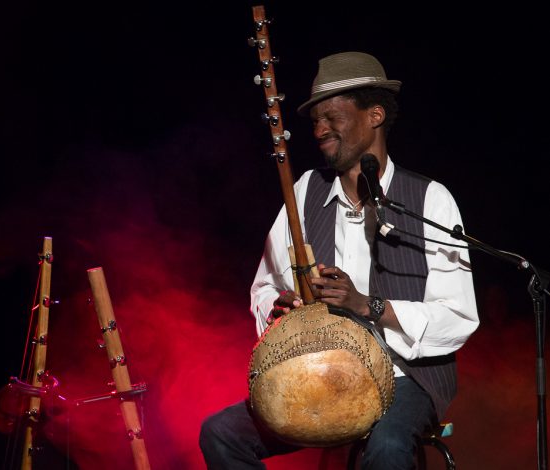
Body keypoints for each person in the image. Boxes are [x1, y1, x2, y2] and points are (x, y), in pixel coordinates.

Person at [198, 51, 480, 469]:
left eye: (332, 116)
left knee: (385, 449)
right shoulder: (307, 191)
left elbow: (458, 317)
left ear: (375, 115)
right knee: (221, 434)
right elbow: (266, 285)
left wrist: (366, 306)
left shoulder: (430, 200)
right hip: (320, 370)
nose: (319, 129)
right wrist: (280, 309)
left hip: (405, 377)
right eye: (314, 121)